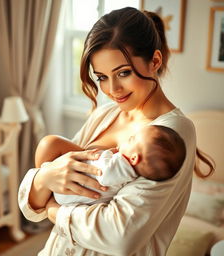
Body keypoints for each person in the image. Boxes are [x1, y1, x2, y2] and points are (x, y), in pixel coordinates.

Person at [18, 7, 215, 256]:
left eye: (123, 73)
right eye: (101, 77)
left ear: (155, 61)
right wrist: (45, 180)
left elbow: (120, 237)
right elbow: (30, 207)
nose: (112, 89)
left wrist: (53, 209)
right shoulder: (106, 114)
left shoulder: (172, 133)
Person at [35, 125, 186, 205]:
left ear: (134, 158)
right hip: (67, 190)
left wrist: (106, 153)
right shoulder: (129, 172)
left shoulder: (122, 166)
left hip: (66, 195)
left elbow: (104, 174)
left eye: (131, 140)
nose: (127, 140)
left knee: (53, 145)